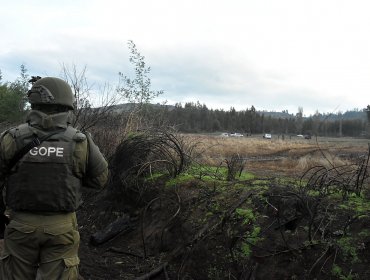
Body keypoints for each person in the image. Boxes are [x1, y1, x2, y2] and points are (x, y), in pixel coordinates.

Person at [0, 77, 108, 279]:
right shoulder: (80, 141)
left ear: (33, 103)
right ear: (67, 105)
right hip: (62, 227)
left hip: (20, 226)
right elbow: (100, 180)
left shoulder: (11, 138)